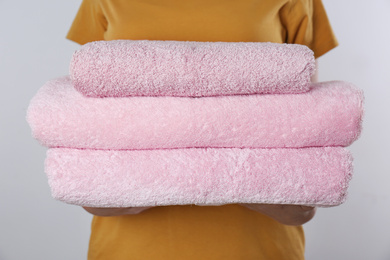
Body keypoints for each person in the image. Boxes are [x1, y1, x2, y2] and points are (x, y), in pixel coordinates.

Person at [66, 0, 338, 259]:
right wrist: (98, 186)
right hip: (127, 251)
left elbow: (303, 128)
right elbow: (92, 122)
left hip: (257, 249)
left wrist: (290, 196)